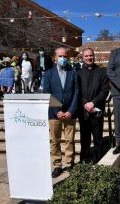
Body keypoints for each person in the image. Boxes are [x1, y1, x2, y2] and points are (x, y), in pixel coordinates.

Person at [43, 47, 79, 178]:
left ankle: (70, 163)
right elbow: (47, 93)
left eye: (65, 56)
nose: (63, 58)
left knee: (70, 140)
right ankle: (57, 165)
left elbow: (76, 93)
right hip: (54, 113)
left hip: (70, 112)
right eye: (60, 56)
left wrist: (71, 110)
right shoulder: (48, 73)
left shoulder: (73, 73)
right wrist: (57, 111)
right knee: (55, 140)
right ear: (55, 58)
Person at [77, 48, 109, 163]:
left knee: (98, 138)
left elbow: (104, 91)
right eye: (86, 56)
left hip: (96, 110)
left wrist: (93, 102)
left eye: (91, 55)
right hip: (83, 111)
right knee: (84, 138)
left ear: (94, 56)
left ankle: (97, 159)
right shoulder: (78, 74)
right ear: (83, 58)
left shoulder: (102, 72)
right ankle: (84, 160)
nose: (89, 58)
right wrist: (85, 103)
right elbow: (77, 91)